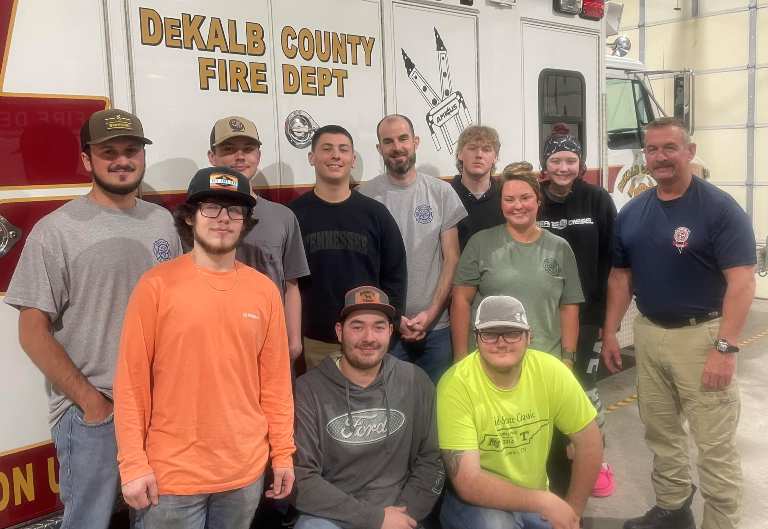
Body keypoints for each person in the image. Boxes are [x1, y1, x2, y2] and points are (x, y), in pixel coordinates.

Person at [4, 109, 181, 529]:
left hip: (158, 409)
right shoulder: (56, 230)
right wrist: (91, 402)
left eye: (131, 150)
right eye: (108, 152)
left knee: (157, 519)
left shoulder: (161, 223)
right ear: (87, 160)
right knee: (89, 521)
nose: (122, 160)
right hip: (95, 413)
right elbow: (32, 331)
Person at [114, 166, 295, 529]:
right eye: (211, 207)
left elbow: (275, 385)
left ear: (245, 222)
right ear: (190, 217)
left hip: (244, 474)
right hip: (172, 477)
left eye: (234, 210)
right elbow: (131, 385)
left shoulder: (264, 291)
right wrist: (133, 464)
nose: (223, 219)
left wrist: (284, 455)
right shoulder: (155, 287)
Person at [602, 117, 756, 529]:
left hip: (702, 336)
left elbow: (741, 282)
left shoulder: (719, 209)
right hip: (650, 334)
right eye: (652, 150)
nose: (660, 157)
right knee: (660, 432)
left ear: (689, 151)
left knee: (714, 444)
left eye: (669, 148)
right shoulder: (634, 212)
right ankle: (673, 508)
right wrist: (611, 331)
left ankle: (721, 522)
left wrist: (725, 348)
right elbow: (621, 277)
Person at [437, 295, 602, 529]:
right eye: (490, 333)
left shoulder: (551, 371)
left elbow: (590, 441)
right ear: (476, 339)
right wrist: (544, 501)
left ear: (529, 337)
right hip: (475, 503)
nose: (501, 342)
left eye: (512, 333)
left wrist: (573, 512)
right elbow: (469, 482)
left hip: (533, 500)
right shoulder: (455, 384)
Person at [292, 285, 444, 529]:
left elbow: (432, 459)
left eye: (379, 327)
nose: (369, 338)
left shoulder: (415, 381)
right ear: (339, 332)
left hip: (399, 514)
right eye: (357, 326)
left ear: (391, 331)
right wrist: (375, 519)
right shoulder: (308, 390)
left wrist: (402, 517)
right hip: (333, 516)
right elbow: (302, 477)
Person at [539, 123, 617, 497]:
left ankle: (595, 456)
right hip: (542, 318)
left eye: (571, 160)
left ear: (580, 162)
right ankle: (552, 459)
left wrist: (607, 320)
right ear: (545, 163)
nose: (564, 167)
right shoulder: (533, 199)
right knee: (544, 391)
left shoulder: (598, 200)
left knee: (585, 389)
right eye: (556, 159)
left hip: (586, 318)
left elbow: (611, 263)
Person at [359, 114, 467, 383]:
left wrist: (430, 314)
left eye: (403, 138)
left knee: (438, 411)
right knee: (392, 412)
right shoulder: (364, 197)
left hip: (438, 329)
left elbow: (452, 259)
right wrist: (394, 317)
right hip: (385, 328)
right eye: (388, 141)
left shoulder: (441, 193)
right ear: (379, 149)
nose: (397, 147)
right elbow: (364, 266)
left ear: (415, 142)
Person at [289, 125, 407, 369]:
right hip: (315, 341)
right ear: (312, 157)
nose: (335, 155)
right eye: (327, 149)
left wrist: (386, 328)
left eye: (343, 150)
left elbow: (395, 275)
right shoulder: (294, 215)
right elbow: (288, 283)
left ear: (352, 160)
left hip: (367, 339)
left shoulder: (376, 214)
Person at [451, 162, 584, 360]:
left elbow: (569, 307)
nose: (518, 206)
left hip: (545, 360)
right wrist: (461, 358)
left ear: (538, 200)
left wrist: (567, 359)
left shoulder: (560, 248)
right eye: (509, 199)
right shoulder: (480, 243)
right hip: (490, 358)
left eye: (525, 198)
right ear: (501, 204)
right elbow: (461, 301)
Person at [208, 115, 310, 362]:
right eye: (229, 149)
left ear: (258, 156)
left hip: (271, 343)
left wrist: (294, 339)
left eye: (248, 149)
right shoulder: (198, 217)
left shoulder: (283, 217)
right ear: (212, 157)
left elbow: (291, 284)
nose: (239, 157)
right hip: (215, 345)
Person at [449, 125, 505, 251]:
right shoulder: (445, 195)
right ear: (460, 154)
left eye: (486, 149)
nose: (479, 154)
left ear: (495, 157)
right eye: (472, 148)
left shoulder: (505, 196)